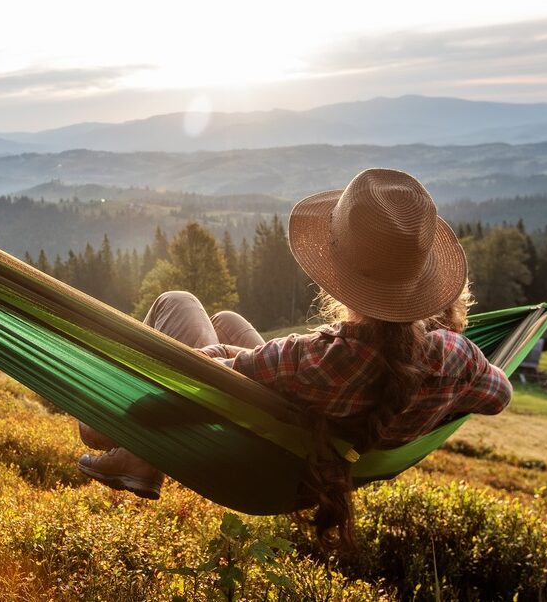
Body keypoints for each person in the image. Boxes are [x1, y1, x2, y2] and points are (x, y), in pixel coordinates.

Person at [76, 168, 512, 546]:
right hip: (312, 451)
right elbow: (499, 396)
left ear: (337, 273)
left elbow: (194, 392)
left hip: (254, 451)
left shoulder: (309, 359)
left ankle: (140, 458)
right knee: (226, 319)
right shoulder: (459, 358)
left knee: (177, 301)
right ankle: (141, 458)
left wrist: (114, 409)